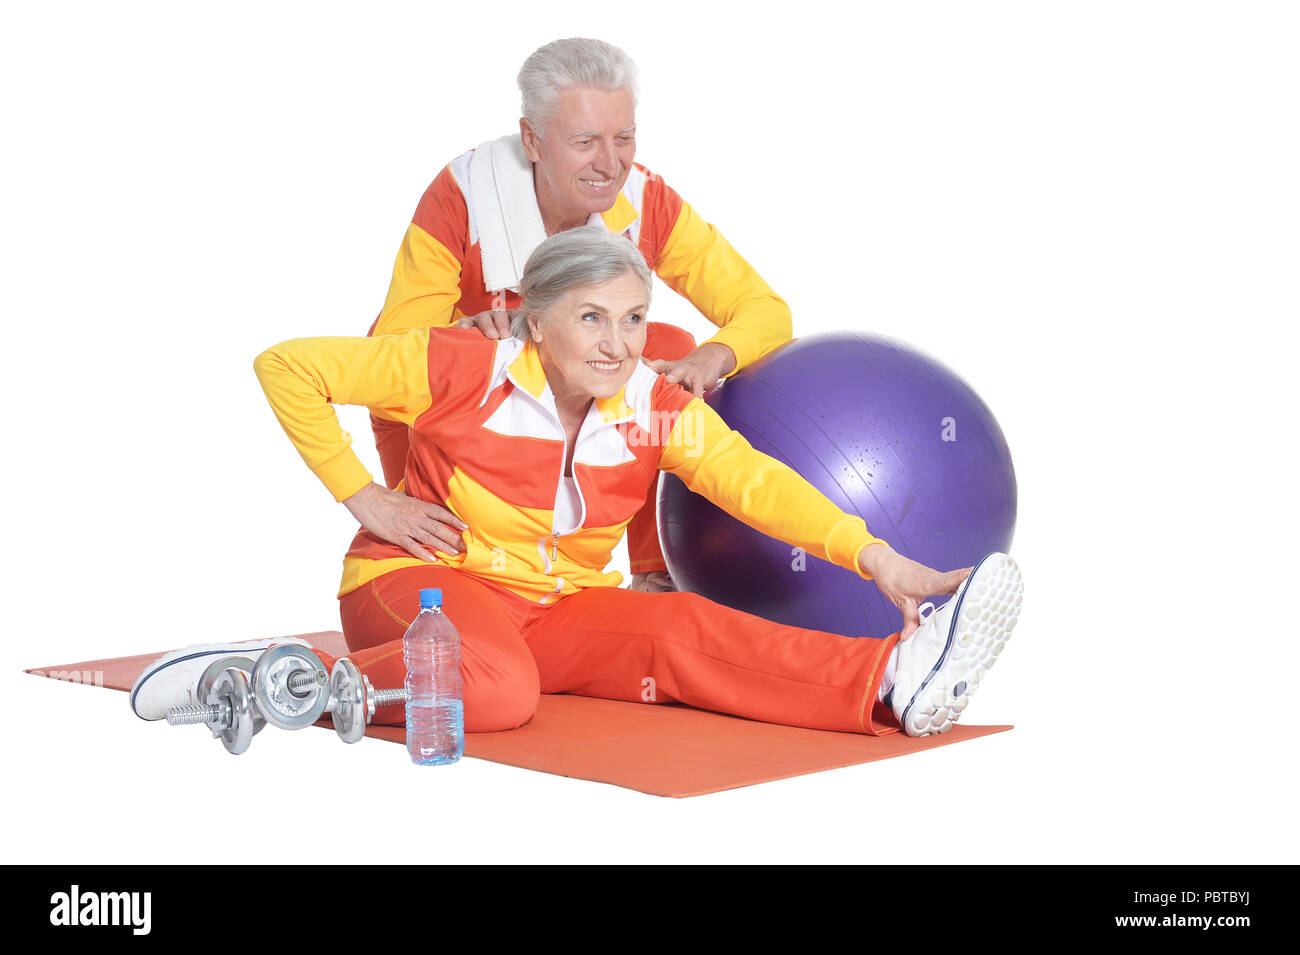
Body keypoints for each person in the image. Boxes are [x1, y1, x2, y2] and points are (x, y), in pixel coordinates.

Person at [131, 228, 1022, 740]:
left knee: (677, 625)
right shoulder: (460, 366)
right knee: (498, 692)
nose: (618, 343)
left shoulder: (652, 400)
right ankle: (274, 677)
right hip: (419, 585)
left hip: (552, 607)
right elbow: (287, 366)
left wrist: (878, 558)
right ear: (533, 317)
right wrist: (364, 495)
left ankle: (892, 678)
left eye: (634, 319)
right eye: (591, 318)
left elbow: (753, 482)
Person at [368, 37, 795, 593]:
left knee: (664, 342)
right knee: (456, 581)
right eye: (585, 141)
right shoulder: (465, 194)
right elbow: (393, 349)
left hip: (565, 394)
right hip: (460, 402)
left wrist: (713, 355)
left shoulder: (644, 200)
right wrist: (464, 333)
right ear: (533, 139)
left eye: (624, 137)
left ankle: (653, 572)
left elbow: (764, 309)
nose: (610, 163)